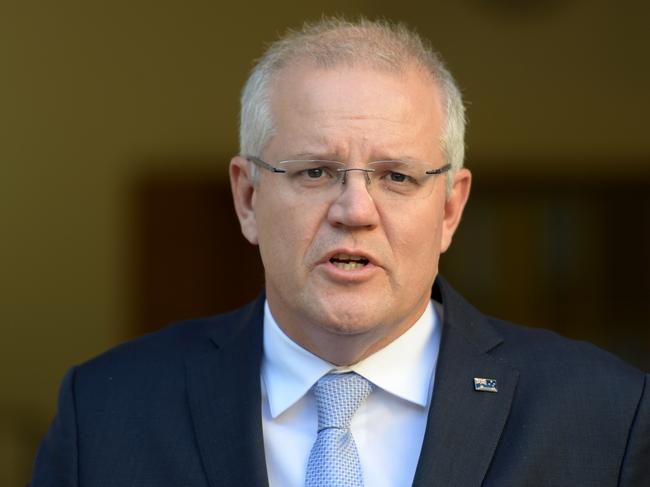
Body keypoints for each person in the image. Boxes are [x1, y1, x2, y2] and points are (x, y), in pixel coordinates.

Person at [30, 18, 649, 487]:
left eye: (397, 177)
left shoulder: (605, 417)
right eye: (317, 172)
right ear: (248, 198)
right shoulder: (108, 411)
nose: (354, 210)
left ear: (450, 209)